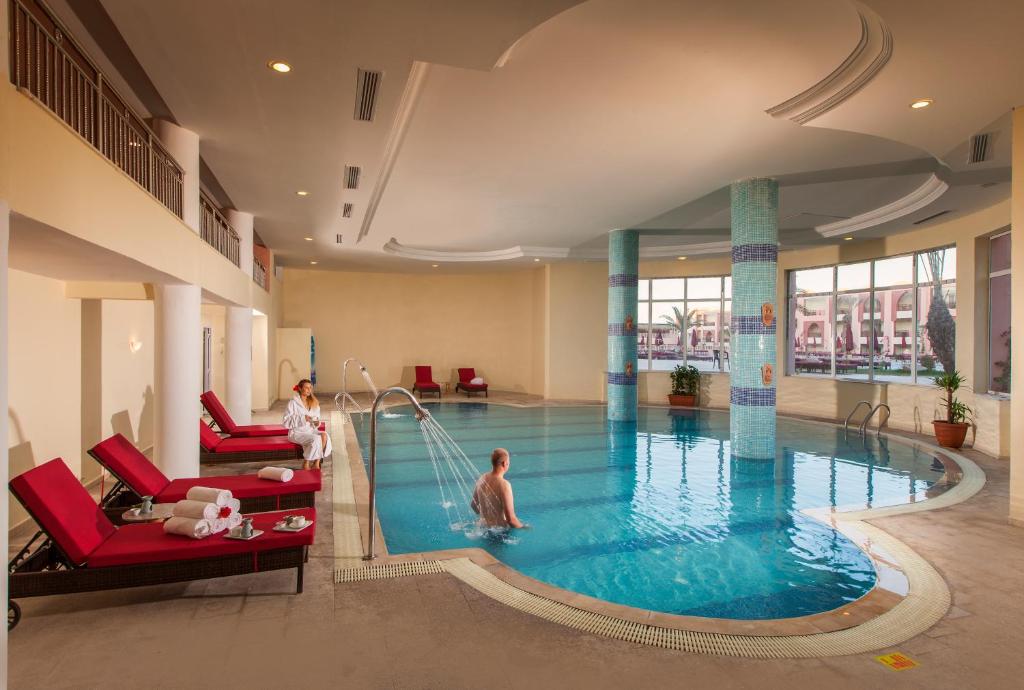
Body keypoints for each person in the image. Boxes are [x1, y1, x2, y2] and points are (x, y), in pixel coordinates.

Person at [470, 448, 526, 529]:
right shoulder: (504, 484)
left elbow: (473, 506)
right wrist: (524, 528)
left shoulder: (482, 478)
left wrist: (487, 517)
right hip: (499, 532)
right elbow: (511, 520)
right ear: (504, 463)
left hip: (483, 527)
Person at [284, 378, 332, 470]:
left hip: (310, 430)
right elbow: (286, 421)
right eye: (306, 387)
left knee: (324, 435)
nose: (309, 390)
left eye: (310, 388)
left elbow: (316, 418)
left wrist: (317, 423)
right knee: (316, 439)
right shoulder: (293, 403)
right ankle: (306, 463)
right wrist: (303, 418)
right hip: (297, 433)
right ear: (300, 388)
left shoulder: (314, 402)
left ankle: (316, 462)